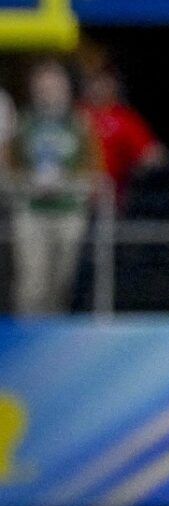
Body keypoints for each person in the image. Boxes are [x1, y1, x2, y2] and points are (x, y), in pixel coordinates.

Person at [8, 61, 99, 316]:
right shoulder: (24, 122)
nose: (48, 92)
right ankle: (27, 338)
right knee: (31, 282)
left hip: (68, 210)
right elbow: (10, 166)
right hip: (32, 210)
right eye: (42, 86)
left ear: (65, 88)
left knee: (64, 281)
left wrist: (68, 184)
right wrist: (27, 183)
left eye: (53, 86)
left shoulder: (79, 123)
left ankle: (56, 336)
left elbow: (93, 167)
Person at [82, 68, 163, 206]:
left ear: (114, 85)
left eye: (103, 82)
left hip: (111, 197)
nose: (98, 87)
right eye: (93, 82)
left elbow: (153, 156)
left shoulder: (125, 118)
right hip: (73, 192)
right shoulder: (76, 114)